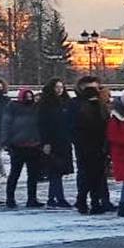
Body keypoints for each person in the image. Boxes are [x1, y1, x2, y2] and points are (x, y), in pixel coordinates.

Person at [70, 75, 110, 214]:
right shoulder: (95, 107)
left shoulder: (98, 106)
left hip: (91, 145)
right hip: (92, 145)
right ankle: (90, 201)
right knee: (92, 175)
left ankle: (87, 201)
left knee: (91, 174)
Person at [0, 88, 44, 209]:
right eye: (27, 97)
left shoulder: (36, 108)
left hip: (34, 146)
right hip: (17, 146)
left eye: (31, 97)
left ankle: (32, 198)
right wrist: (6, 142)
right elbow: (6, 124)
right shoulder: (13, 107)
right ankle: (10, 198)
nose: (29, 99)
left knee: (33, 175)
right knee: (15, 173)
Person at [37, 78, 73, 208]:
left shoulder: (66, 102)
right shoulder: (46, 104)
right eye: (57, 87)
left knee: (58, 171)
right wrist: (46, 142)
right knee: (55, 170)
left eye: (61, 87)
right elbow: (43, 124)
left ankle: (53, 197)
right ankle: (58, 198)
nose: (59, 90)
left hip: (64, 140)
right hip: (52, 141)